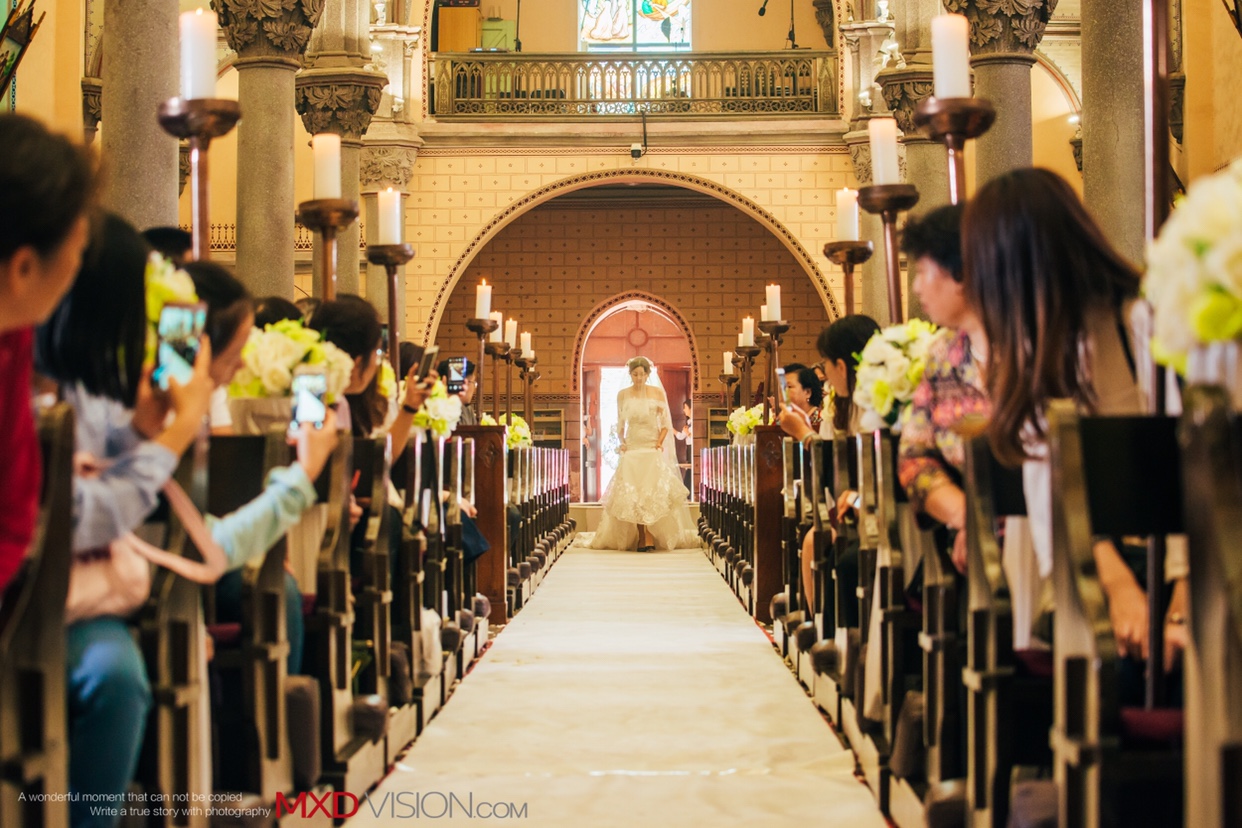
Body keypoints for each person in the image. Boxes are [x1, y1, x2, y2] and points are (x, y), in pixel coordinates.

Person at [963, 167, 1185, 676]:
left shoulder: (1140, 321)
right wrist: (1118, 589)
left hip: (1183, 563)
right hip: (1089, 569)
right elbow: (1056, 490)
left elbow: (1190, 457)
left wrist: (1182, 597)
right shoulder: (1033, 352)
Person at [0, 113, 96, 597]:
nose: (77, 268)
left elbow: (14, 506)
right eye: (75, 252)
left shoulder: (15, 335)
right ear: (23, 267)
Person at [894, 204, 989, 576]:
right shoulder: (942, 356)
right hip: (963, 532)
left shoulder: (1043, 348)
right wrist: (967, 516)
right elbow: (915, 456)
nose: (917, 287)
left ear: (961, 273)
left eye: (922, 272)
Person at [778, 315, 879, 620]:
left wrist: (805, 435)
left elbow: (842, 473)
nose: (823, 375)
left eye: (825, 366)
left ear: (843, 367)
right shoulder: (847, 405)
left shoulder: (875, 404)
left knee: (822, 545)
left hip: (873, 507)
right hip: (859, 503)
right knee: (814, 540)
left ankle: (832, 634)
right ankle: (822, 628)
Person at [582, 356, 698, 551]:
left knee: (652, 493)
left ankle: (651, 535)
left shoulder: (657, 393)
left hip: (651, 449)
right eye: (635, 374)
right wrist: (622, 443)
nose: (638, 378)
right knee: (633, 494)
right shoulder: (623, 395)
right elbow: (619, 425)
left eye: (642, 374)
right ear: (630, 374)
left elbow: (665, 425)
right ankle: (641, 536)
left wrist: (659, 444)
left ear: (647, 374)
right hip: (633, 449)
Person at [438, 356, 479, 426]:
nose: (474, 388)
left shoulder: (468, 410)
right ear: (465, 383)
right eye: (474, 383)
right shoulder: (438, 408)